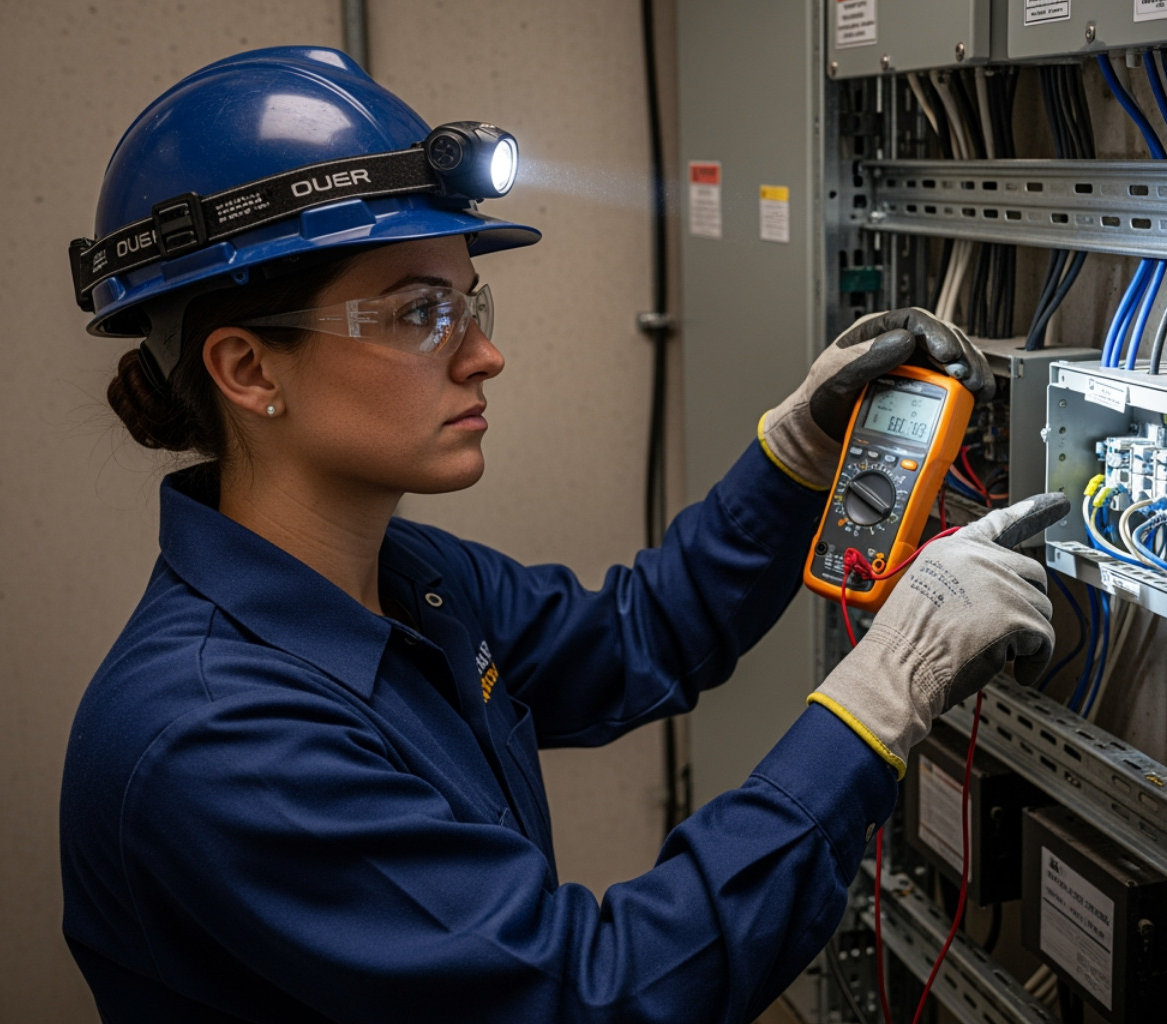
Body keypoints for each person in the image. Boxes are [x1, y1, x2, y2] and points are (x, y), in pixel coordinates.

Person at [60, 47, 1065, 1023]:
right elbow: (591, 994)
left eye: (469, 301)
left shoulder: (408, 579)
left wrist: (795, 454)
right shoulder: (219, 739)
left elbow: (636, 639)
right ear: (248, 370)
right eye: (420, 313)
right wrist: (882, 697)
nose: (486, 353)